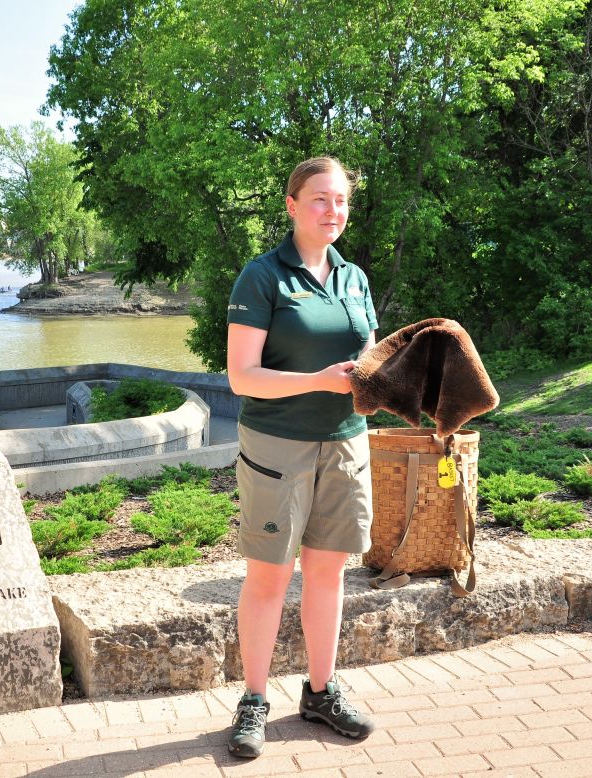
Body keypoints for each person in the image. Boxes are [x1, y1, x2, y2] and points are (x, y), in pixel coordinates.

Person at [225, 156, 378, 758]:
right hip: (277, 446)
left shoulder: (354, 278)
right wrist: (317, 380)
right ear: (291, 205)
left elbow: (367, 357)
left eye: (340, 200)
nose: (332, 211)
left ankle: (320, 693)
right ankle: (254, 701)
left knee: (328, 571)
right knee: (269, 577)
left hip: (346, 443)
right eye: (319, 199)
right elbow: (242, 378)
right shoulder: (261, 278)